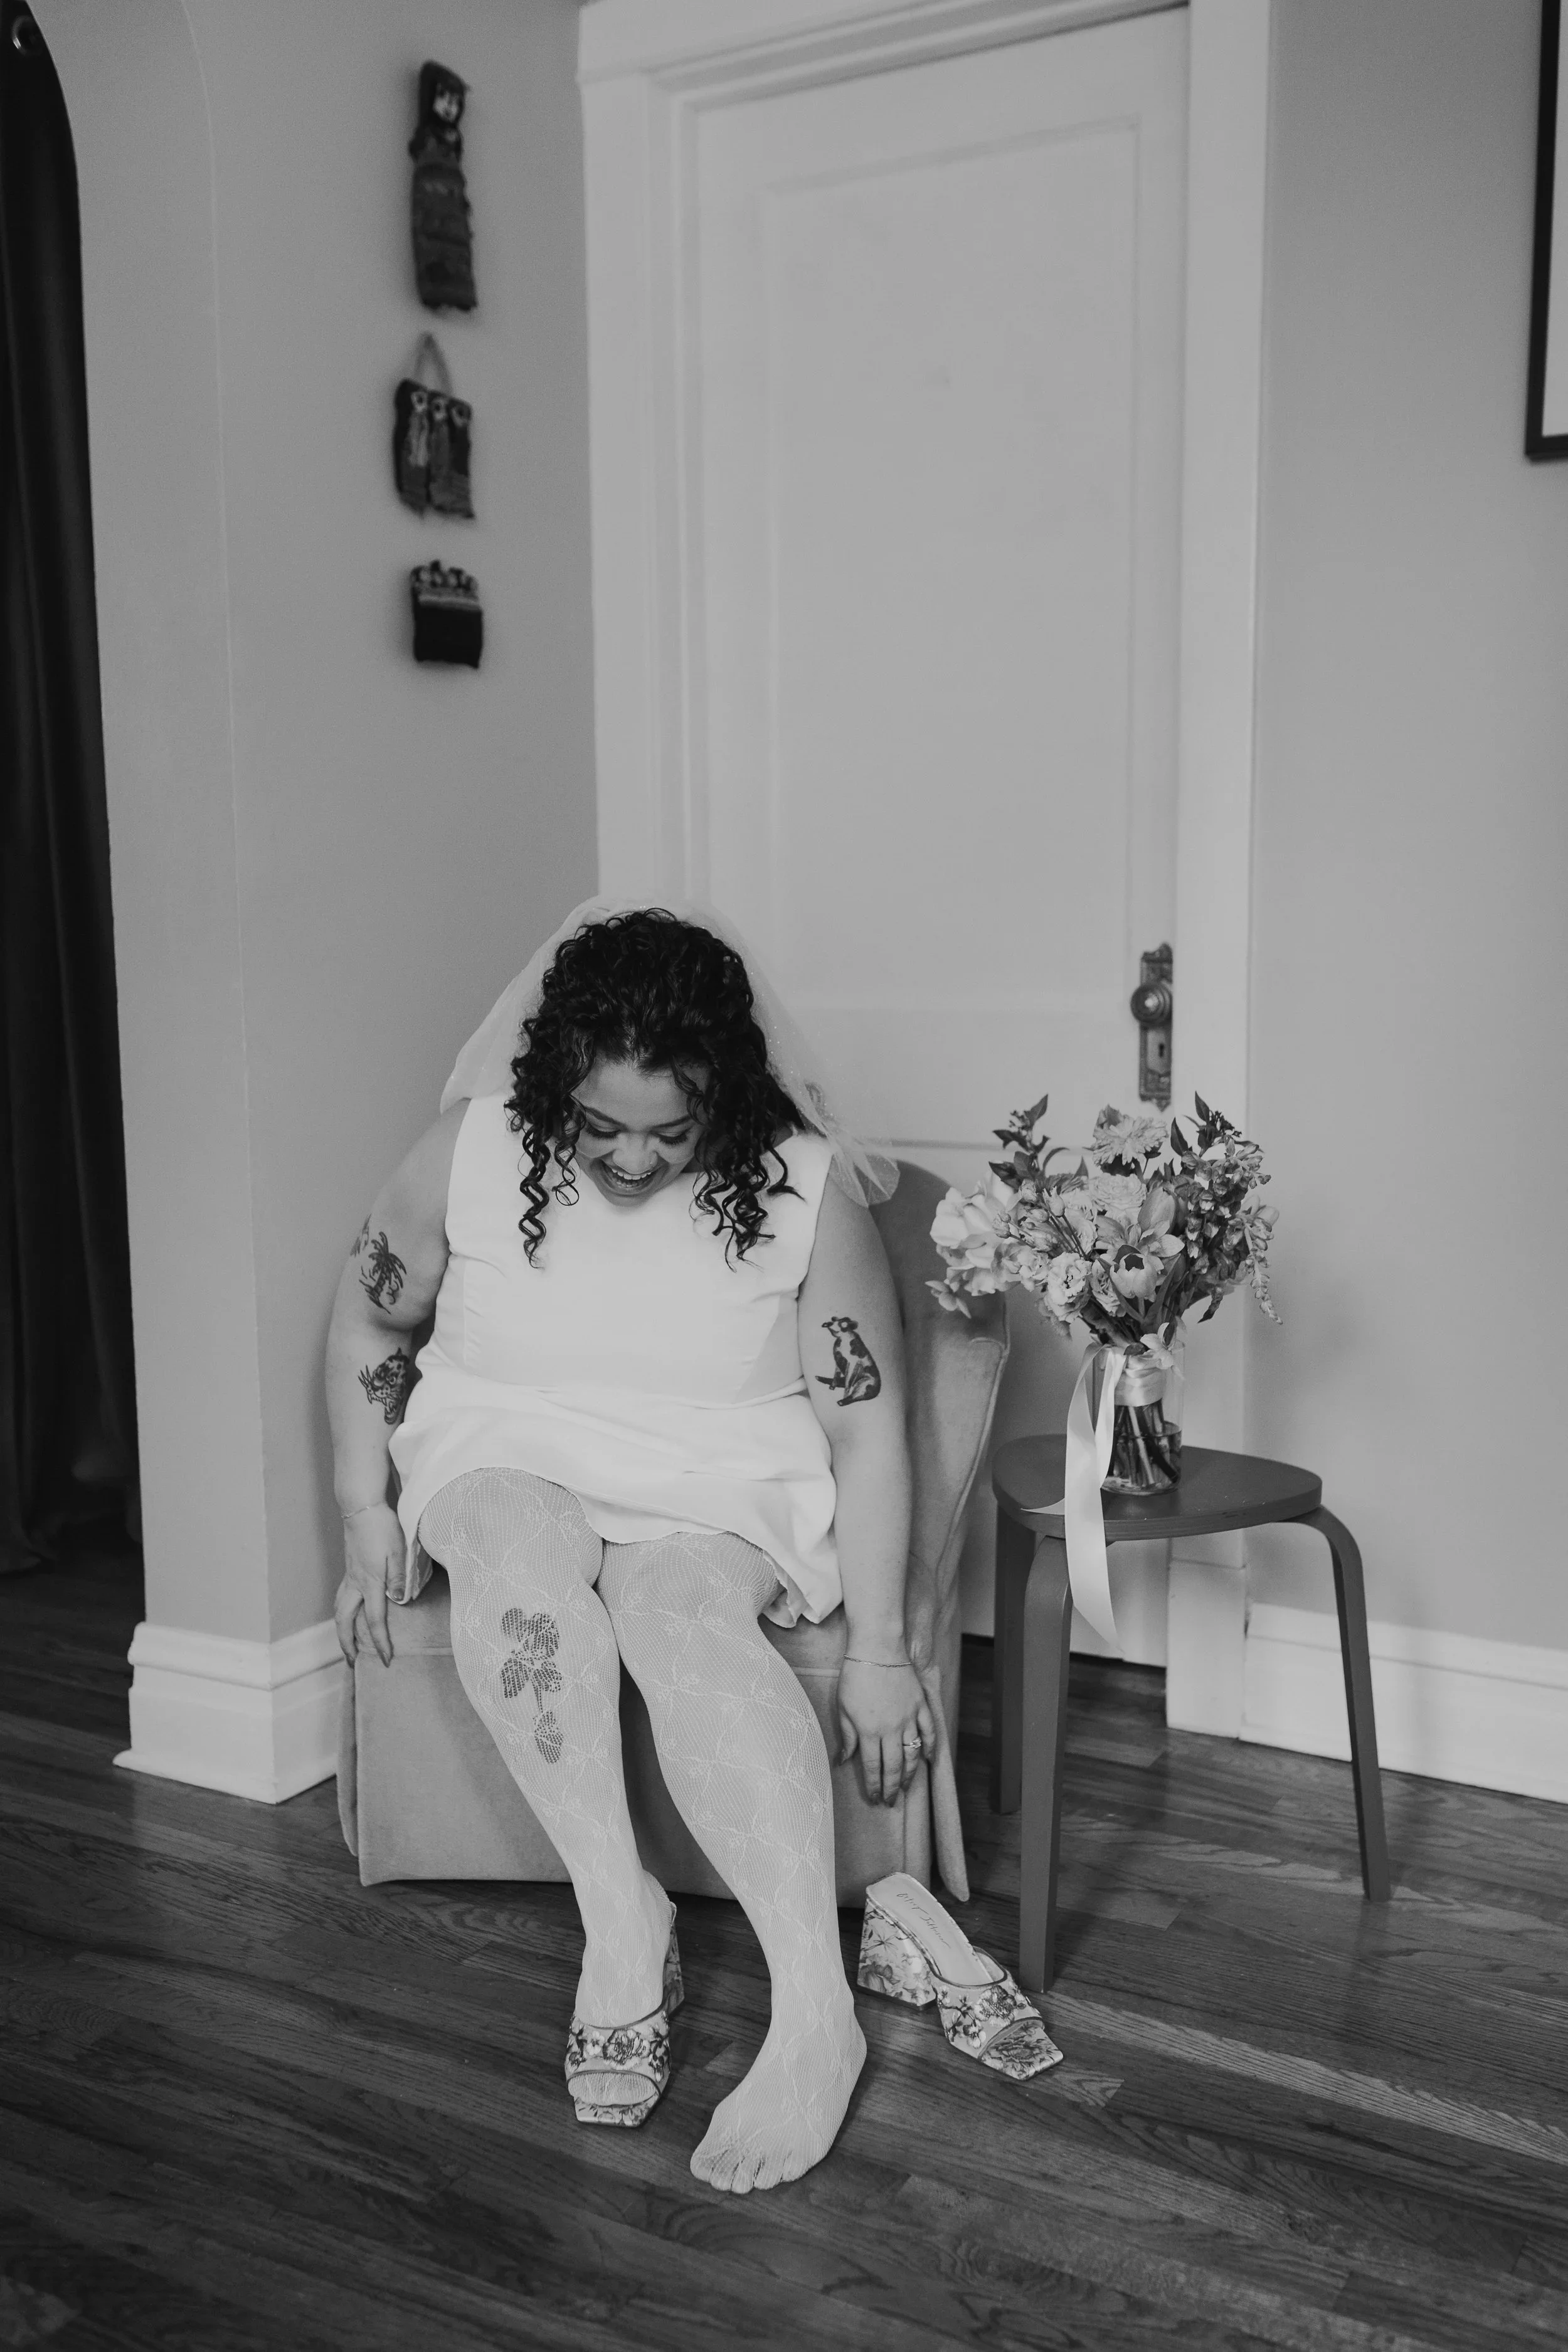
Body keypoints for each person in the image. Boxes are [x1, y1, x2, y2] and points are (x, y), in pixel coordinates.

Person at [326, 901, 928, 2195]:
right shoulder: (470, 1152)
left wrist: (882, 1648)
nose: (635, 1163)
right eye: (599, 1127)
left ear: (729, 1091)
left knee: (677, 1615)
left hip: (717, 1467)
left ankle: (814, 2012)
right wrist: (361, 1505)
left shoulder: (804, 1192)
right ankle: (620, 1916)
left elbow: (870, 1434)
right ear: (553, 1085)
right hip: (505, 1437)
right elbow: (370, 1324)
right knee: (510, 1554)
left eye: (673, 1131)